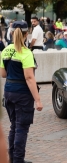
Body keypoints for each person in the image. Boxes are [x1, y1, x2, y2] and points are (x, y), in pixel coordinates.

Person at [0, 21, 43, 163]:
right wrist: (38, 100)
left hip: (9, 92)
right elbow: (29, 78)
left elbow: (3, 74)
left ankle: (12, 158)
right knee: (21, 128)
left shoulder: (5, 50)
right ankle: (18, 160)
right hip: (22, 94)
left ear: (11, 33)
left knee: (14, 126)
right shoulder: (26, 52)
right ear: (26, 34)